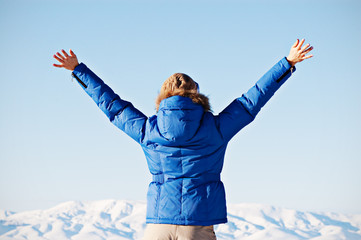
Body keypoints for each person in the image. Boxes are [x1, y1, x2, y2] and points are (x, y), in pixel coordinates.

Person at [53, 39, 313, 240]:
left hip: (158, 225)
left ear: (163, 97)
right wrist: (288, 63)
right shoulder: (215, 129)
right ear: (196, 94)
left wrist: (78, 69)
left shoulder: (148, 131)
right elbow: (251, 101)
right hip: (198, 225)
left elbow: (113, 106)